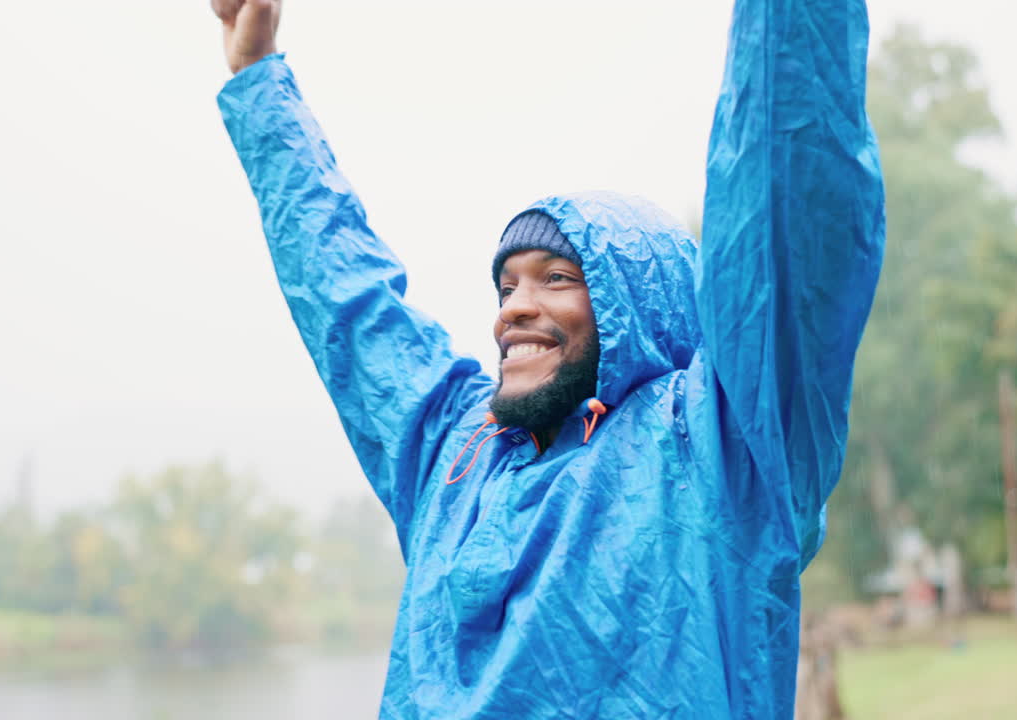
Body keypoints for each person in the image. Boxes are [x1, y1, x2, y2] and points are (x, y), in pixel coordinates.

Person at [210, 0, 884, 717]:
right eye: (506, 286)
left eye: (556, 278)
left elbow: (788, 188)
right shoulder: (454, 456)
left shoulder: (724, 447)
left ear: (639, 305)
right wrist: (257, 76)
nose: (512, 309)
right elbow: (347, 297)